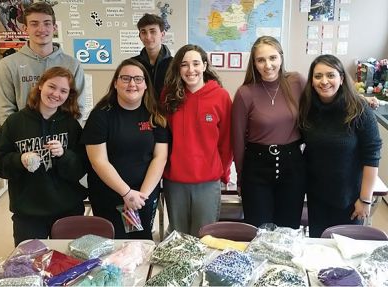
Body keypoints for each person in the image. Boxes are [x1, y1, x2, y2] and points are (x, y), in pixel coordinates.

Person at [0, 66, 87, 246]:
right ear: (41, 85)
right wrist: (19, 160)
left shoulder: (71, 125)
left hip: (67, 209)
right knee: (30, 265)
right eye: (52, 86)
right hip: (28, 212)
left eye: (63, 91)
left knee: (69, 264)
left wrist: (64, 155)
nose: (56, 94)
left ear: (69, 95)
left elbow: (81, 169)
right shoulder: (15, 122)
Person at [80, 59, 169, 239]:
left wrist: (140, 196)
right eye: (125, 78)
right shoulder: (100, 116)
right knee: (111, 247)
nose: (132, 84)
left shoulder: (155, 115)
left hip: (144, 195)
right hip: (109, 195)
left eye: (138, 79)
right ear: (115, 83)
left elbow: (160, 157)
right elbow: (99, 161)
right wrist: (127, 194)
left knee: (141, 244)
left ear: (145, 84)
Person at [299, 54, 382, 237]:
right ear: (311, 81)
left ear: (342, 78)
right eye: (318, 76)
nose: (324, 81)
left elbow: (372, 157)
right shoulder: (308, 107)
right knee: (319, 248)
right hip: (317, 197)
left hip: (350, 200)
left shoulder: (359, 109)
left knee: (345, 255)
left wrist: (365, 200)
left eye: (331, 75)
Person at [232, 36, 306, 229]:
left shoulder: (297, 82)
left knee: (288, 230)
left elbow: (326, 99)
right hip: (256, 167)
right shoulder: (245, 93)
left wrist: (361, 101)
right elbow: (238, 139)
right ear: (254, 63)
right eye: (261, 60)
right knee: (258, 231)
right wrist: (240, 177)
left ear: (281, 57)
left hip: (292, 165)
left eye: (273, 58)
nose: (268, 65)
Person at [162, 44, 233, 236]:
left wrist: (224, 174)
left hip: (208, 181)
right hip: (174, 180)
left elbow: (227, 142)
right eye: (184, 65)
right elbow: (161, 139)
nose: (190, 70)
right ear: (178, 68)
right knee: (178, 236)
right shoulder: (168, 96)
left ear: (204, 66)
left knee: (204, 236)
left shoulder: (221, 96)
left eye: (195, 63)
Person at [0, 1, 86, 125]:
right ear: (25, 28)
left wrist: (68, 136)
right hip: (23, 137)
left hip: (61, 138)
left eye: (47, 23)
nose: (41, 29)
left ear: (54, 28)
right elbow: (5, 109)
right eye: (34, 24)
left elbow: (78, 107)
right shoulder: (8, 65)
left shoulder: (73, 65)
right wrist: (17, 137)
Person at [131, 13, 173, 101]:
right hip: (140, 112)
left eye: (153, 31)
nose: (148, 36)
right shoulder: (133, 64)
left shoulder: (174, 64)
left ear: (162, 34)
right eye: (143, 32)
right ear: (140, 36)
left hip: (166, 112)